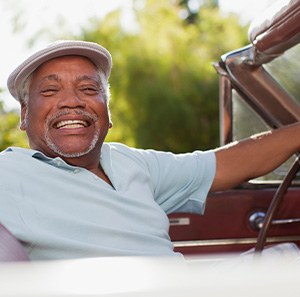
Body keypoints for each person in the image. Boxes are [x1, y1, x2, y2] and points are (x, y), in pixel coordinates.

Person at [1, 40, 299, 261]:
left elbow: (225, 164)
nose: (72, 101)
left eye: (89, 90)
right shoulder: (9, 173)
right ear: (25, 115)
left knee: (288, 256)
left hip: (184, 286)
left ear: (107, 111)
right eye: (51, 91)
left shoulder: (131, 162)